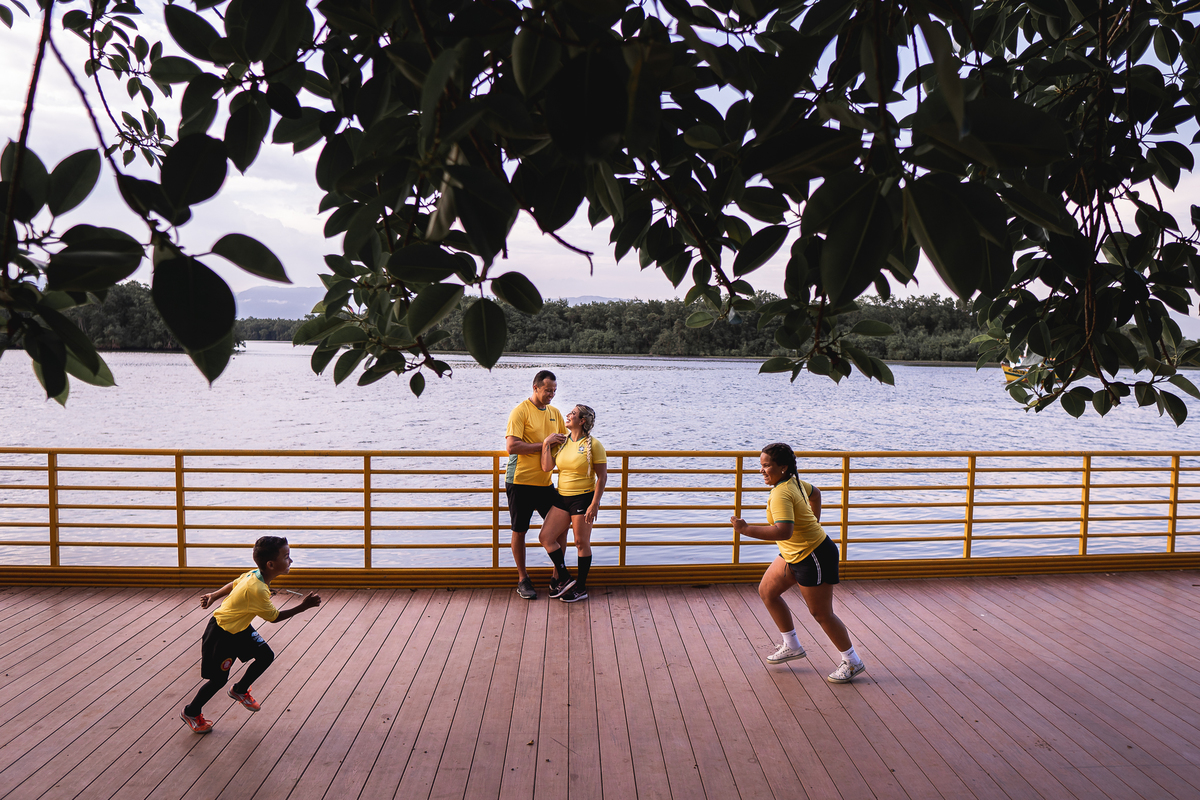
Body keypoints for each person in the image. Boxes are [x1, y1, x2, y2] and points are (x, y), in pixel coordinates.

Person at [730, 443, 867, 683]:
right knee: (767, 592)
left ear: (782, 467)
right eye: (760, 466)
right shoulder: (792, 482)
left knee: (821, 613)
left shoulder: (782, 493)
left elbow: (783, 531)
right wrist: (814, 521)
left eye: (766, 466)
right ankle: (792, 645)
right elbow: (816, 494)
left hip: (814, 554)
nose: (761, 471)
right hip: (793, 553)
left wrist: (745, 529)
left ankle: (852, 661)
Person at [179, 536, 321, 733]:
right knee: (218, 680)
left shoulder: (255, 575)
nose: (291, 561)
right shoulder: (258, 589)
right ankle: (191, 712)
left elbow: (234, 583)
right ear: (271, 564)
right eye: (287, 557)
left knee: (266, 656)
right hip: (221, 634)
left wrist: (213, 595)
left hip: (240, 627)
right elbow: (274, 617)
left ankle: (239, 690)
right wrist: (303, 607)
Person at [505, 370, 567, 599]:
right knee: (519, 530)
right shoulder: (520, 411)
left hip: (545, 483)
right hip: (520, 480)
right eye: (547, 390)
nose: (551, 394)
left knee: (560, 528)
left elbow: (564, 442)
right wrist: (544, 444)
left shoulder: (555, 413)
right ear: (535, 388)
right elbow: (512, 447)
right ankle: (523, 579)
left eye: (554, 390)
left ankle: (556, 578)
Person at [539, 404, 607, 603]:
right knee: (545, 537)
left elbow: (602, 477)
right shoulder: (562, 442)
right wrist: (546, 443)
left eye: (573, 414)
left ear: (582, 421)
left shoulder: (593, 445)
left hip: (583, 498)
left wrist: (595, 504)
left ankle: (581, 587)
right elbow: (546, 467)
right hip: (562, 497)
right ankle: (565, 578)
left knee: (580, 543)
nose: (568, 415)